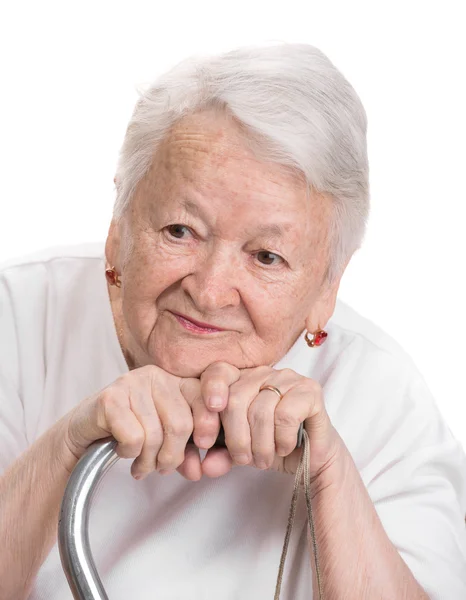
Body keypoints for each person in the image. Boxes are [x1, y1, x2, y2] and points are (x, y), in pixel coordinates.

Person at [0, 42, 465, 600]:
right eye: (180, 230)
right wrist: (68, 445)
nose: (211, 289)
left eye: (266, 256)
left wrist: (328, 475)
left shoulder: (384, 399)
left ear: (327, 289)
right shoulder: (17, 318)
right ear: (118, 230)